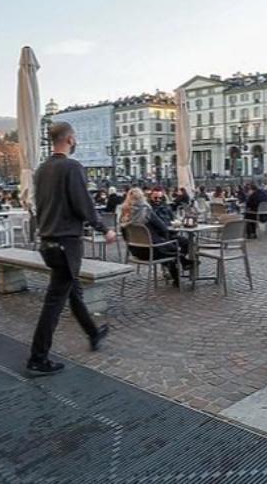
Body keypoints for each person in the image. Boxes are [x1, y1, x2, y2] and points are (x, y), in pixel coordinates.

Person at [27, 122, 115, 376]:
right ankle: (38, 357)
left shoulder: (41, 170)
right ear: (69, 139)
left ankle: (93, 332)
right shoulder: (72, 167)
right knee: (54, 302)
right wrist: (103, 228)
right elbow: (82, 203)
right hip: (66, 244)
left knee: (72, 290)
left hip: (48, 242)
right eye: (74, 138)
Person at [120, 188, 191, 286]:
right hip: (152, 251)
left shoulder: (124, 214)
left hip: (135, 251)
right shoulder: (146, 210)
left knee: (173, 247)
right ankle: (179, 274)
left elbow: (124, 235)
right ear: (143, 198)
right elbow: (163, 228)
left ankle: (184, 262)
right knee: (174, 249)